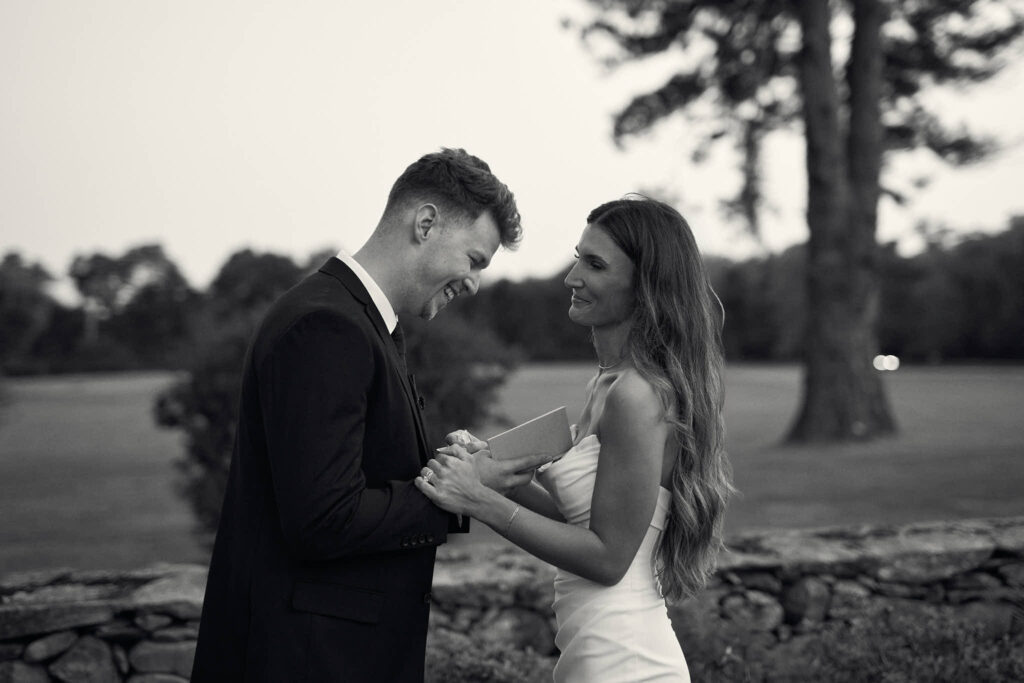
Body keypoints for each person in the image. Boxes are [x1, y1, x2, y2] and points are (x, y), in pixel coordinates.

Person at [190, 148, 552, 682]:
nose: (474, 283)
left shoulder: (364, 322)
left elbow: (353, 475)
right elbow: (322, 520)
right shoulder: (328, 326)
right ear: (425, 223)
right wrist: (461, 491)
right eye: (474, 259)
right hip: (305, 660)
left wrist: (447, 468)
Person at [417, 196, 733, 682]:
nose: (572, 277)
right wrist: (496, 472)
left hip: (624, 658)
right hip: (593, 649)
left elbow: (608, 559)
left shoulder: (636, 395)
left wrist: (480, 501)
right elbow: (582, 520)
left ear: (644, 286)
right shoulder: (607, 383)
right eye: (578, 256)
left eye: (595, 264)